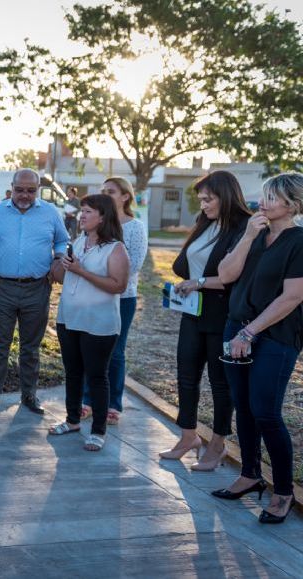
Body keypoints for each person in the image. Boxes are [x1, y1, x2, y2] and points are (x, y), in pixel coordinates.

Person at [213, 172, 303, 524]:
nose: (262, 201)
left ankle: (283, 492)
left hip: (274, 335)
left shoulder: (298, 242)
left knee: (266, 411)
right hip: (237, 328)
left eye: (272, 197)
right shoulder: (254, 232)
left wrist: (249, 333)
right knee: (244, 408)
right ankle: (250, 475)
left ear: (292, 205)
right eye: (264, 195)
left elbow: (293, 297)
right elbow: (225, 274)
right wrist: (249, 236)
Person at [158, 171, 250, 470]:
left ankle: (218, 444)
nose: (204, 205)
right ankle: (188, 436)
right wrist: (190, 283)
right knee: (186, 376)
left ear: (226, 196)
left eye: (208, 199)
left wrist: (198, 282)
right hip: (193, 312)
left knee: (220, 384)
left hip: (223, 315)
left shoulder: (244, 228)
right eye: (201, 199)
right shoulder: (204, 223)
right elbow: (186, 264)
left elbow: (234, 278)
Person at [0, 169, 69, 414]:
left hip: (37, 287)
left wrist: (58, 257)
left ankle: (29, 395)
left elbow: (62, 240)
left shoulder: (51, 213)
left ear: (37, 190)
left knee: (31, 346)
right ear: (12, 187)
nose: (25, 195)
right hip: (2, 287)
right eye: (20, 190)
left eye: (31, 191)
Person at [49, 194, 129, 451]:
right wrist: (61, 266)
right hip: (69, 319)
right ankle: (72, 420)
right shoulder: (79, 241)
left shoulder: (115, 248)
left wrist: (81, 270)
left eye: (88, 212)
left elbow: (118, 285)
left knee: (96, 376)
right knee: (72, 373)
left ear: (103, 217)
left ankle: (98, 431)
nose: (81, 215)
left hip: (99, 323)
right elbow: (64, 278)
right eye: (82, 211)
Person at [81, 178, 147, 425]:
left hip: (122, 297)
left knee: (115, 352)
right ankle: (87, 400)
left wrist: (105, 277)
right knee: (89, 348)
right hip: (93, 295)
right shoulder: (96, 223)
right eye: (102, 191)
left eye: (111, 191)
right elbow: (85, 256)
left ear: (125, 196)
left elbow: (135, 264)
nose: (105, 195)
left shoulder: (134, 227)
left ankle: (113, 404)